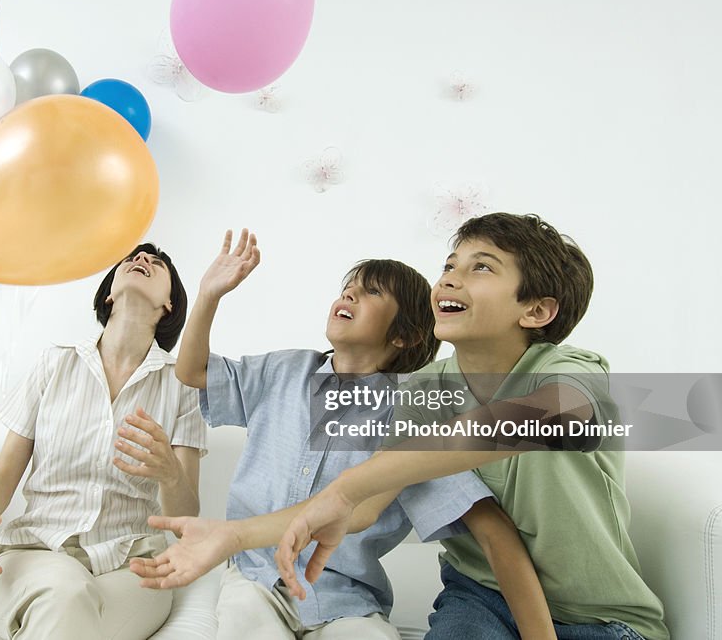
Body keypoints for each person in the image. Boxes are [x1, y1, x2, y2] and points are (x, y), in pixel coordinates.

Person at [131, 229, 556, 639]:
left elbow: (480, 517)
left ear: (405, 335)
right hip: (255, 579)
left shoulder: (411, 413)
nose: (348, 294)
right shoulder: (284, 371)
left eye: (371, 292)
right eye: (347, 286)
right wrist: (209, 294)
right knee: (243, 621)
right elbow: (193, 371)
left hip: (346, 597)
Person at [273, 213, 669, 640]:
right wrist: (234, 535)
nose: (448, 279)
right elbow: (368, 505)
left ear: (536, 310)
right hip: (480, 597)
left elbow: (555, 415)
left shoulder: (569, 371)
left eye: (480, 267)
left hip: (598, 617)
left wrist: (349, 485)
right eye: (448, 265)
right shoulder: (424, 388)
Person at [0, 243, 208, 640]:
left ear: (169, 305)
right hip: (34, 555)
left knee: (67, 604)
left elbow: (186, 520)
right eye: (133, 259)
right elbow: (2, 479)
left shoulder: (183, 386)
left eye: (156, 264)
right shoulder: (54, 363)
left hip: (131, 568)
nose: (142, 261)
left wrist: (170, 474)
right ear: (109, 293)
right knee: (65, 591)